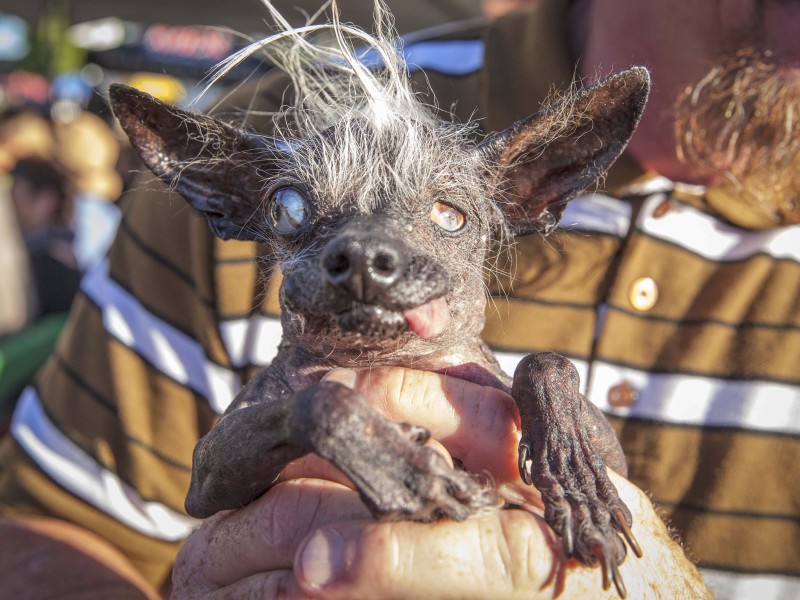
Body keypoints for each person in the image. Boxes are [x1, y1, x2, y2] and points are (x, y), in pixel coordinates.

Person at [1, 0, 797, 598]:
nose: (365, 252)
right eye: (295, 211)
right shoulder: (257, 117)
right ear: (227, 201)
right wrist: (316, 417)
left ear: (536, 188)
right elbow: (102, 513)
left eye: (448, 214)